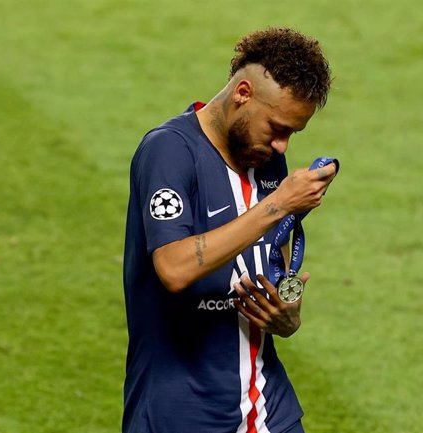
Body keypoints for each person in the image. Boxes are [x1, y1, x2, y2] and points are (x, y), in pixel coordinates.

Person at [122, 27, 336, 433]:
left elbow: (271, 265)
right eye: (277, 127)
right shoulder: (169, 150)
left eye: (293, 133)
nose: (282, 147)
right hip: (181, 414)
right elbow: (174, 267)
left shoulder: (265, 160)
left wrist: (286, 316)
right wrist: (279, 205)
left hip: (269, 410)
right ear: (242, 93)